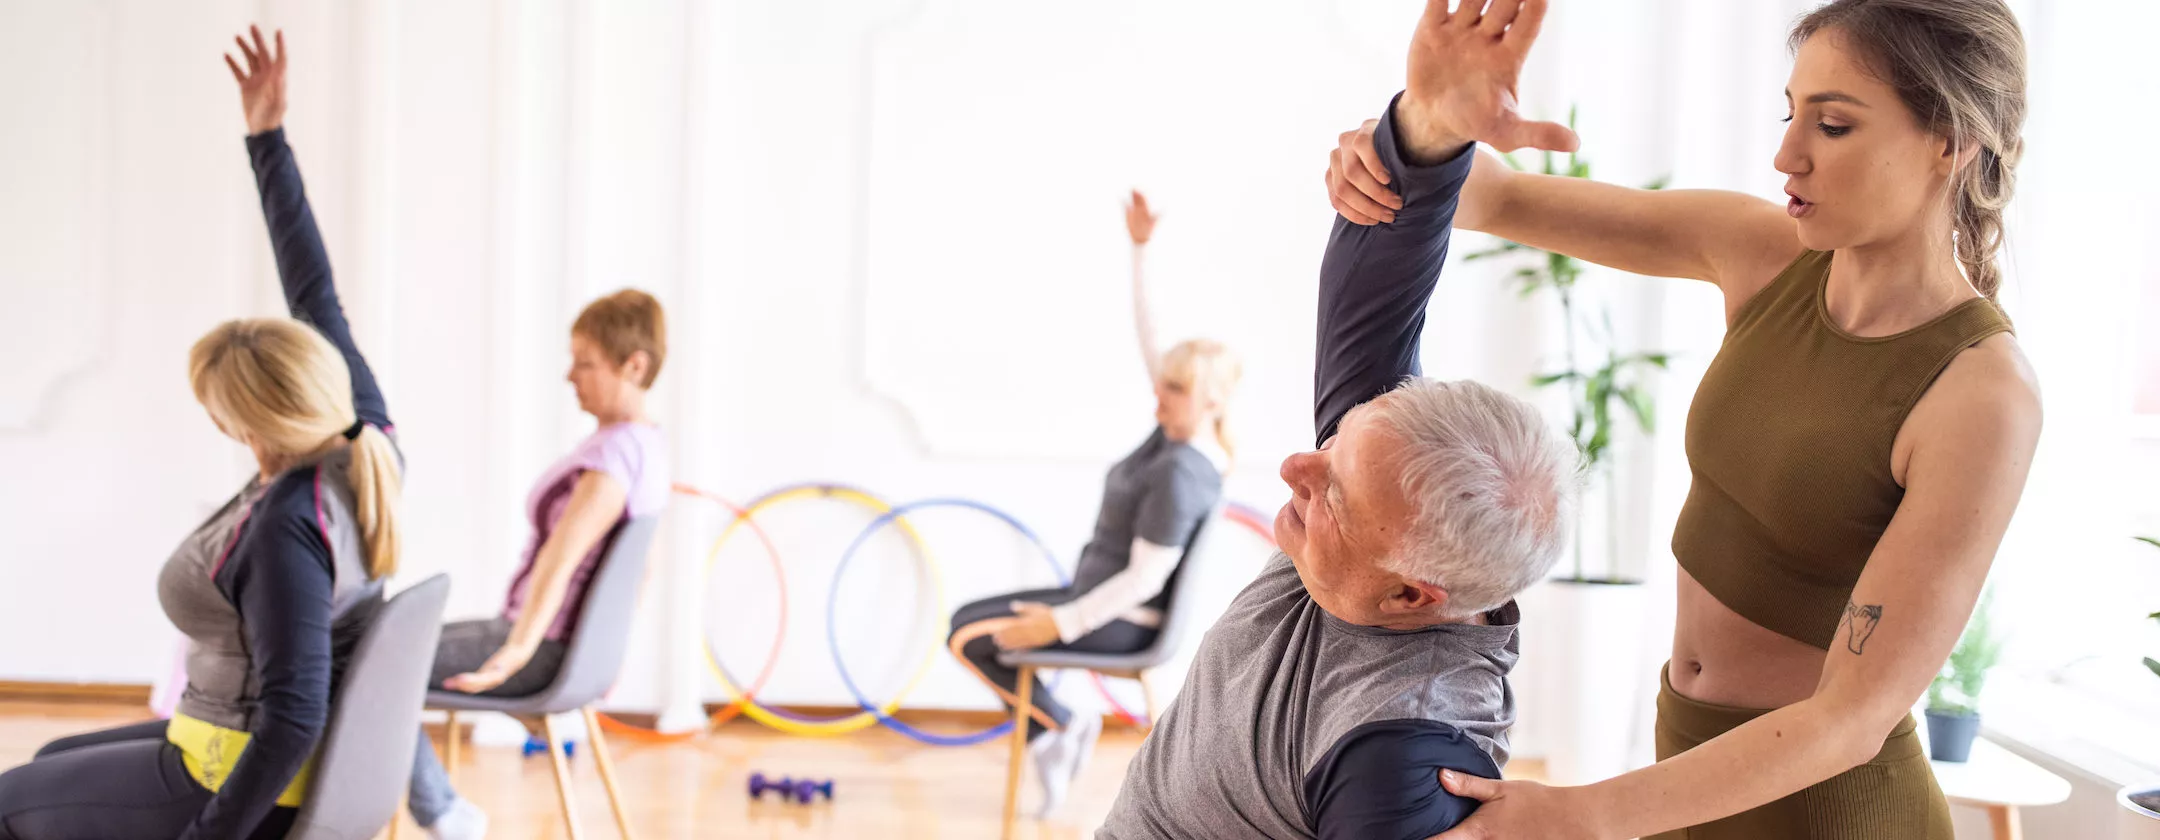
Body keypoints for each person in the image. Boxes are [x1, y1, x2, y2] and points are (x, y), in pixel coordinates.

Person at [1325, 1, 2039, 837]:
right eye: (1791, 113)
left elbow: (1852, 718)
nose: (1786, 154)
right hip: (1689, 773)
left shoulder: (1980, 393)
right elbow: (1497, 199)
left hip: (1831, 811)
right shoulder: (1765, 254)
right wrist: (1416, 129)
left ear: (1951, 141)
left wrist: (1586, 812)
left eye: (1834, 125)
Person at [1094, 6, 1583, 836]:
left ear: (1407, 594)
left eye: (1333, 490)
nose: (1297, 466)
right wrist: (1427, 128)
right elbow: (1379, 277)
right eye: (1333, 447)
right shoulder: (1382, 487)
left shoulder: (1402, 752)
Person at [0, 26, 404, 840]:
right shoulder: (361, 438)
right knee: (48, 767)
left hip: (228, 772)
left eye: (215, 408)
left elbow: (290, 716)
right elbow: (313, 290)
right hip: (222, 739)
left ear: (248, 420)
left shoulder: (289, 528)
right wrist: (267, 139)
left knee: (9, 802)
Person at [946, 190, 1242, 817]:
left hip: (1117, 620)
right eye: (1162, 384)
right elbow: (1151, 337)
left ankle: (1056, 727)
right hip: (1096, 600)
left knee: (970, 635)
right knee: (967, 625)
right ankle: (1057, 728)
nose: (1157, 395)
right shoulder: (1180, 432)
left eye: (1174, 389)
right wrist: (1141, 250)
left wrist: (1061, 623)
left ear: (1211, 400)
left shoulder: (1182, 471)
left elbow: (1145, 577)